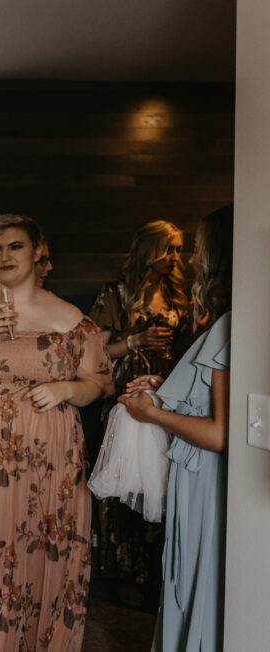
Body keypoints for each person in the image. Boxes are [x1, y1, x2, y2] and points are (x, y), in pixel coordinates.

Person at [0, 214, 113, 651]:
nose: (4, 256)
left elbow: (99, 384)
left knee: (40, 548)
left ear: (37, 252)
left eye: (15, 246)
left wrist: (66, 388)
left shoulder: (72, 319)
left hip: (50, 458)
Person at [119, 205, 232, 652]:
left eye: (197, 249)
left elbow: (221, 433)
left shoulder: (227, 324)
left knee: (199, 573)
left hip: (208, 480)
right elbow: (212, 396)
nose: (188, 260)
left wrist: (153, 414)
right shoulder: (229, 320)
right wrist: (168, 387)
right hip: (202, 474)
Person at [88, 220, 191, 609]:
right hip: (125, 399)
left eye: (179, 250)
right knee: (125, 480)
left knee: (159, 479)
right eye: (169, 248)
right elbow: (95, 353)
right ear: (149, 249)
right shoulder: (114, 294)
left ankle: (154, 572)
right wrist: (135, 340)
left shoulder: (181, 297)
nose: (175, 257)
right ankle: (120, 573)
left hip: (166, 395)